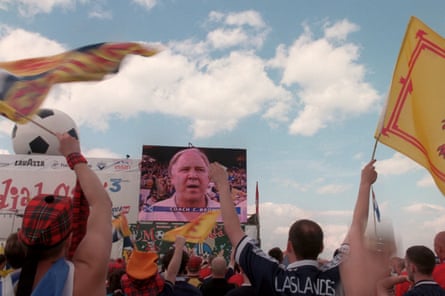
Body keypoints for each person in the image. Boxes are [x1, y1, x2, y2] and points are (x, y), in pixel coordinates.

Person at [210, 159, 379, 295]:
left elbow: (233, 230)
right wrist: (365, 184)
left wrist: (223, 186)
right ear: (321, 247)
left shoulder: (273, 277)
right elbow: (357, 227)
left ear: (289, 246)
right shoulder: (336, 274)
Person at [15, 132, 113, 296]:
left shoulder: (7, 286)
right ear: (69, 238)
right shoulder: (85, 277)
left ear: (20, 237)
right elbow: (101, 204)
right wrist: (74, 156)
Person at [139, 148, 220, 222]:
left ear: (209, 177)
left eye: (200, 170)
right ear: (172, 178)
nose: (193, 175)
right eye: (185, 169)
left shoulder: (227, 215)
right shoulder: (149, 215)